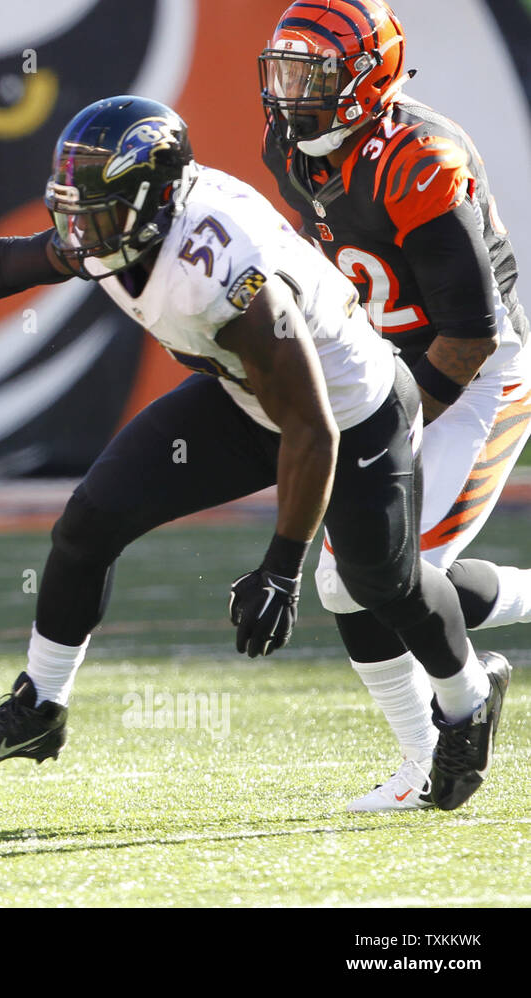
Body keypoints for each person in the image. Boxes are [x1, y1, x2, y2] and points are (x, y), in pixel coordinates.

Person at [0, 95, 509, 813]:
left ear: (152, 205)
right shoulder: (123, 226)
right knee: (90, 521)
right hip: (249, 395)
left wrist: (281, 568)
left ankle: (466, 697)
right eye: (73, 210)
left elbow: (311, 427)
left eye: (96, 214)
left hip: (353, 410)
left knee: (383, 583)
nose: (78, 232)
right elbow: (15, 263)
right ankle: (38, 708)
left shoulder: (220, 271)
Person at [257, 0, 531, 810]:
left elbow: (472, 335)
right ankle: (422, 756)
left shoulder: (417, 158)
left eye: (311, 74)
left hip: (478, 378)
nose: (288, 92)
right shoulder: (292, 147)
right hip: (387, 365)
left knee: (366, 574)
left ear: (365, 75)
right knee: (360, 577)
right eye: (282, 69)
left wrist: (387, 426)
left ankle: (437, 738)